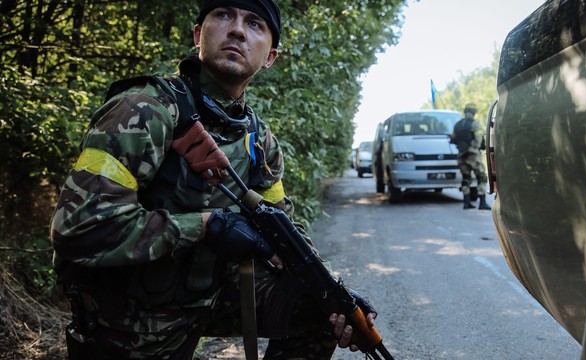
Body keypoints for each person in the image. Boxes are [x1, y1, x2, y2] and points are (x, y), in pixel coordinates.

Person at [49, 0, 376, 358]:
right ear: (197, 35)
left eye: (255, 24)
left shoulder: (258, 140)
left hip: (208, 296)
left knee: (317, 308)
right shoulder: (144, 110)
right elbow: (78, 228)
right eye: (223, 15)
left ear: (270, 58)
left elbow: (285, 228)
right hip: (132, 319)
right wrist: (207, 227)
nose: (237, 29)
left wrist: (334, 291)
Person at [451, 103, 491, 210]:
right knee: (481, 177)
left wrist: (462, 150)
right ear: (474, 113)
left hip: (461, 156)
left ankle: (466, 202)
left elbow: (453, 140)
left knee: (465, 179)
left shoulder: (457, 125)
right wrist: (474, 149)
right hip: (473, 155)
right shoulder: (475, 124)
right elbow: (478, 139)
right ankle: (482, 202)